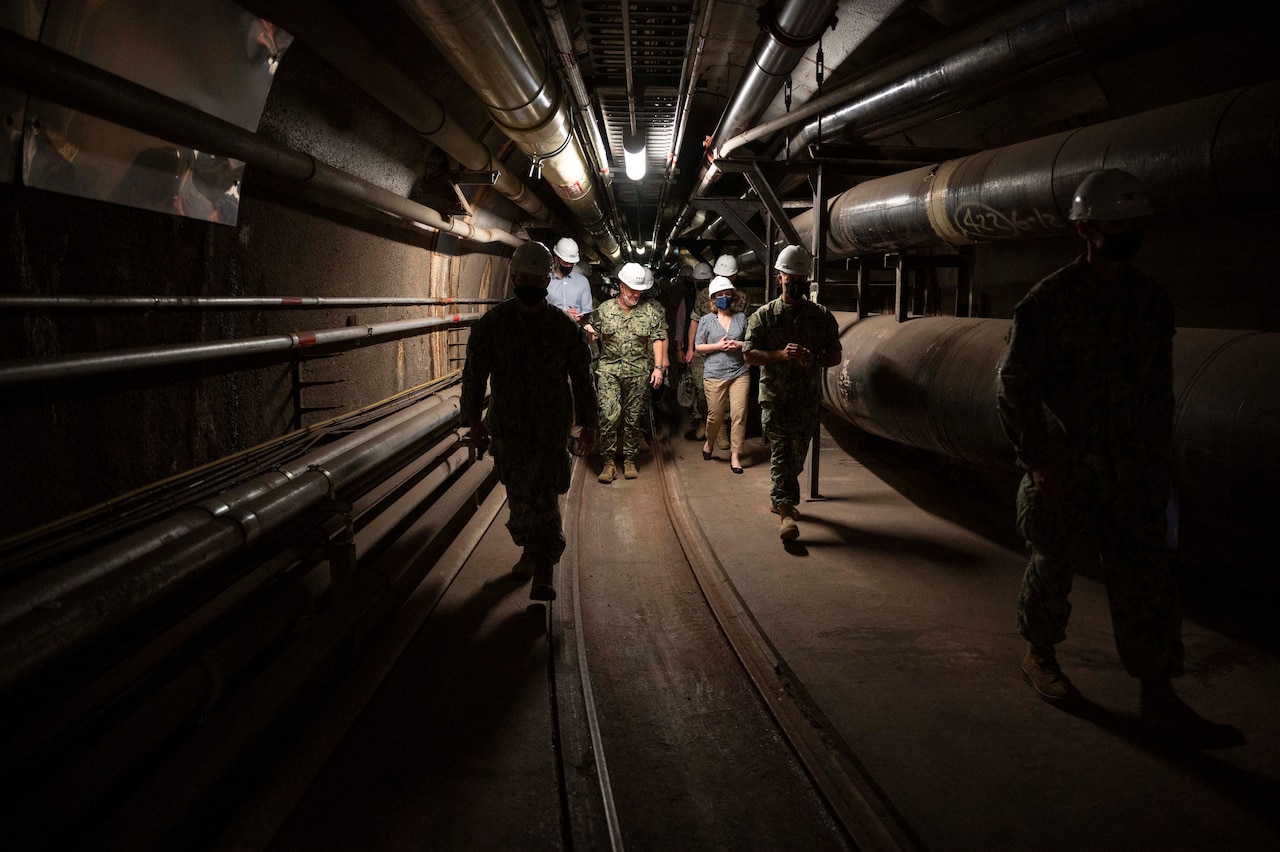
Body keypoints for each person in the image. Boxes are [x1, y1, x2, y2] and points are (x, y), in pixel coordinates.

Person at [996, 169, 1241, 748]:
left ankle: (1159, 694)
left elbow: (1158, 392)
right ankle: (1040, 655)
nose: (1128, 232)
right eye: (1116, 224)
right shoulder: (1049, 303)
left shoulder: (1151, 302)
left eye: (1136, 223)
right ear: (1085, 228)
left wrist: (1159, 464)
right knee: (1052, 567)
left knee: (1147, 581)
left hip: (1133, 471)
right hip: (1067, 469)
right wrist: (1039, 459)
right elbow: (1014, 389)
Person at [461, 241, 598, 602]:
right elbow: (474, 376)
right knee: (520, 501)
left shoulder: (563, 328)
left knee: (546, 497)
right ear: (513, 277)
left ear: (545, 283)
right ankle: (528, 548)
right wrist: (473, 421)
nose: (531, 286)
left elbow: (583, 377)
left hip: (551, 429)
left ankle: (544, 569)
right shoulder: (492, 325)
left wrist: (590, 423)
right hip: (508, 427)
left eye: (538, 281)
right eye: (525, 278)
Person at [743, 245, 842, 542]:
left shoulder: (821, 316)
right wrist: (781, 355)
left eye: (801, 279)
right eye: (790, 279)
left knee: (797, 456)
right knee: (783, 452)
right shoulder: (763, 316)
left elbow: (835, 354)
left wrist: (815, 359)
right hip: (775, 397)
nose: (795, 284)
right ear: (780, 279)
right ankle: (786, 512)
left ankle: (780, 495)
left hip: (806, 398)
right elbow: (749, 355)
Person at [596, 262, 667, 483]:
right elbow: (593, 334)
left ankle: (629, 460)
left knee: (633, 418)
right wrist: (587, 330)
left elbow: (658, 338)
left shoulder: (649, 311)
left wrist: (658, 368)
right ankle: (608, 462)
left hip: (638, 372)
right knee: (609, 414)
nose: (636, 295)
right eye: (631, 290)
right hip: (609, 371)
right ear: (620, 286)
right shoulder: (604, 309)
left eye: (639, 291)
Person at [695, 275, 750, 474]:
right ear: (713, 299)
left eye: (727, 294)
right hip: (714, 373)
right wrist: (718, 346)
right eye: (720, 295)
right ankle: (709, 442)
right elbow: (698, 347)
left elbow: (752, 342)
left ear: (732, 297)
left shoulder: (742, 318)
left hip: (739, 372)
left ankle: (735, 456)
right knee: (715, 416)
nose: (724, 297)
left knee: (738, 414)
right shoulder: (706, 321)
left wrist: (739, 345)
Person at [681, 261, 714, 439]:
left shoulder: (727, 295)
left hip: (721, 351)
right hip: (701, 350)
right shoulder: (697, 299)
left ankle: (718, 427)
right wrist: (688, 348)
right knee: (701, 389)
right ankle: (702, 419)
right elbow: (688, 322)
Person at [549, 237, 596, 340]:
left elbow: (587, 315)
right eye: (565, 262)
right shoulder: (546, 282)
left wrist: (581, 319)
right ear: (556, 259)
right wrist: (565, 316)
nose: (569, 266)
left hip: (574, 336)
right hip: (550, 335)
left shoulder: (582, 282)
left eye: (572, 263)